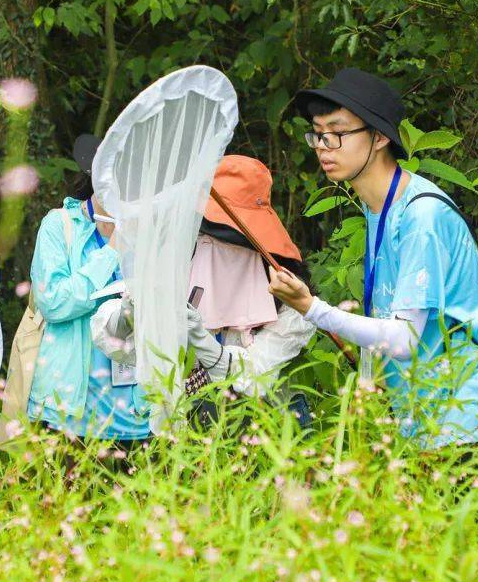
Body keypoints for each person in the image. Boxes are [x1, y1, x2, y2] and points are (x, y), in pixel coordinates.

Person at [267, 68, 478, 448]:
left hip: (470, 427)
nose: (323, 145)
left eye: (337, 133)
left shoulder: (422, 217)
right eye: (317, 134)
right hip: (425, 426)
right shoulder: (379, 208)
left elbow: (405, 340)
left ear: (381, 136)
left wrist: (311, 308)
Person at [92, 155, 316, 428]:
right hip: (179, 434)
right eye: (202, 233)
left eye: (222, 237)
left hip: (261, 438)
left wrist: (203, 342)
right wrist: (128, 315)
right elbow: (119, 342)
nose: (209, 246)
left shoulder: (290, 302)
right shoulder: (179, 265)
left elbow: (254, 376)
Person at [24, 134, 151, 450]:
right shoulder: (59, 225)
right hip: (69, 411)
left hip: (136, 412)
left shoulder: (147, 232)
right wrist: (110, 251)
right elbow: (54, 303)